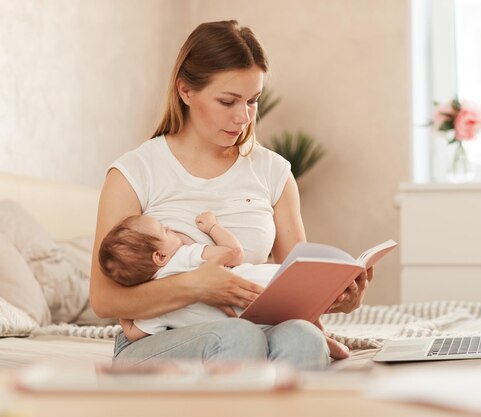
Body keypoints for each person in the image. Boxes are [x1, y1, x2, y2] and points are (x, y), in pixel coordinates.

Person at [89, 20, 373, 370]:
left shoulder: (274, 172)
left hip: (256, 327)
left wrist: (338, 299)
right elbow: (104, 299)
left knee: (304, 337)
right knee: (238, 337)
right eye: (227, 101)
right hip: (160, 340)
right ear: (185, 91)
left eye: (253, 101)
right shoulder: (134, 173)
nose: (243, 117)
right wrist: (197, 286)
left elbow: (297, 281)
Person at [98, 212, 278, 342]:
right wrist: (212, 227)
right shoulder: (184, 257)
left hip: (255, 322)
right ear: (160, 256)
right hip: (259, 281)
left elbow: (131, 333)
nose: (170, 228)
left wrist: (125, 311)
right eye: (164, 230)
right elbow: (234, 253)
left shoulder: (156, 310)